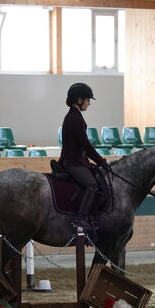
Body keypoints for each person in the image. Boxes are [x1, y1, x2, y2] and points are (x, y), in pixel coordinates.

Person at [58, 82, 109, 230]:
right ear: (79, 100)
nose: (89, 103)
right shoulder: (75, 118)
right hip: (73, 161)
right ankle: (79, 218)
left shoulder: (75, 116)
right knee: (92, 185)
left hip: (77, 160)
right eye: (87, 100)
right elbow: (85, 144)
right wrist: (100, 161)